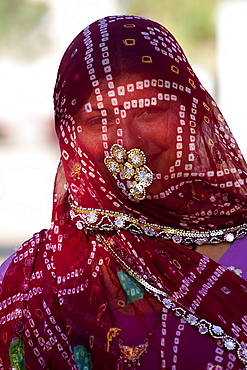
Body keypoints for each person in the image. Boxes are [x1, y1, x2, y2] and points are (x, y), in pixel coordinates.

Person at [1, 14, 247, 370]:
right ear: (68, 135)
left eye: (150, 111)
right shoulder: (31, 283)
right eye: (98, 121)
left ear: (191, 113)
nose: (127, 143)